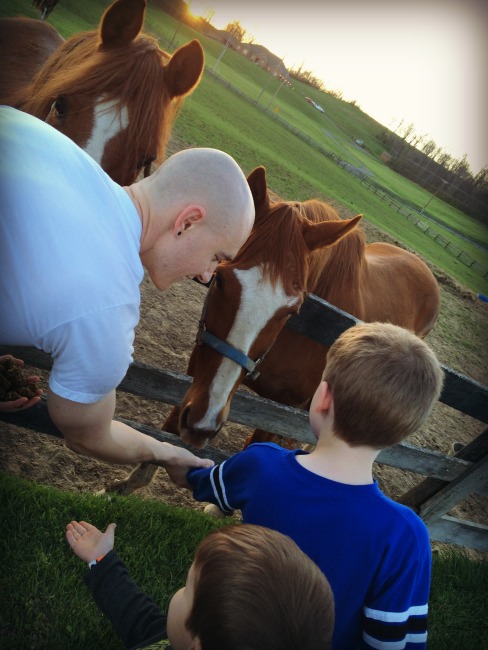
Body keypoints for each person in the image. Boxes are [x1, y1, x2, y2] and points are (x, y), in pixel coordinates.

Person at [0, 106, 255, 482]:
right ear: (187, 221)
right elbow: (88, 435)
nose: (205, 274)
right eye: (216, 257)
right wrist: (166, 452)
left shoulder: (44, 138)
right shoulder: (107, 309)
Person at [183, 322, 445, 650]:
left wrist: (167, 457)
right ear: (403, 430)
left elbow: (200, 482)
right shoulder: (405, 536)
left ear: (322, 398)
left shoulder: (261, 466)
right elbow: (391, 644)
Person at [65, 518, 335, 649]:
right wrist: (101, 560)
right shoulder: (176, 639)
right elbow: (144, 627)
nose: (178, 591)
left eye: (187, 588)